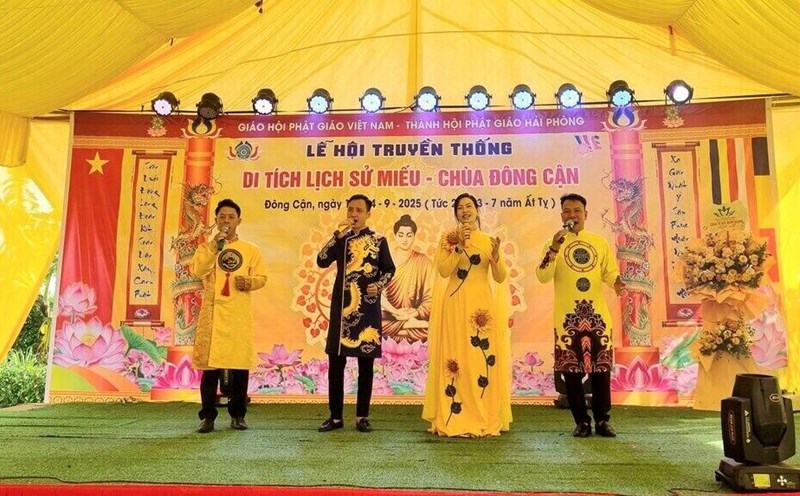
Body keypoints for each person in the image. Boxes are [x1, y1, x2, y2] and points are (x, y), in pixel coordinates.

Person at [535, 193, 625, 438]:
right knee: (572, 372)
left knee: (601, 371)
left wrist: (617, 282)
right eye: (567, 211)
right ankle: (581, 422)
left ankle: (602, 421)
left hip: (597, 314)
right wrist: (554, 247)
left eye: (576, 210)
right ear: (561, 215)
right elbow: (542, 275)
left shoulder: (598, 242)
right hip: (567, 317)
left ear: (586, 214)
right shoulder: (554, 243)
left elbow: (609, 272)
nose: (572, 215)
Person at [422, 192, 512, 437]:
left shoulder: (489, 240)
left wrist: (495, 259)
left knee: (478, 360)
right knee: (456, 359)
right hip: (455, 306)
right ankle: (455, 416)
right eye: (460, 207)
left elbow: (501, 277)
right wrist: (458, 247)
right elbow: (443, 271)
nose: (465, 210)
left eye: (469, 206)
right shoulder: (447, 239)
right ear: (456, 213)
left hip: (481, 309)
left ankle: (483, 414)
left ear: (477, 211)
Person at [316, 194, 395, 433]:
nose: (354, 214)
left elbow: (389, 269)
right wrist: (335, 237)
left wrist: (378, 285)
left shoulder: (378, 240)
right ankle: (336, 416)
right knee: (336, 363)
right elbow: (321, 261)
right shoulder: (341, 239)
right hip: (342, 308)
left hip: (367, 308)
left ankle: (362, 416)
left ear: (368, 213)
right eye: (350, 209)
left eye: (359, 210)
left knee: (366, 366)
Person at [191, 199, 267, 433]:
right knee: (209, 367)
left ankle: (238, 415)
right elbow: (198, 270)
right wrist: (214, 246)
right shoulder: (207, 247)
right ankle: (208, 417)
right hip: (213, 312)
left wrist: (250, 282)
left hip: (237, 312)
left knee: (239, 365)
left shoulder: (251, 249)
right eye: (222, 217)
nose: (226, 221)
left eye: (231, 217)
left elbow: (262, 277)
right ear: (216, 220)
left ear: (239, 221)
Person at [381, 214, 434, 342]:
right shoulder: (385, 260)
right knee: (371, 323)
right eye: (401, 235)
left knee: (438, 325)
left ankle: (411, 324)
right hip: (391, 316)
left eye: (409, 235)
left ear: (414, 236)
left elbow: (431, 297)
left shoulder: (423, 261)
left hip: (416, 315)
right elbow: (378, 294)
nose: (404, 239)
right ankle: (409, 325)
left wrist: (415, 313)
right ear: (395, 236)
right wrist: (395, 312)